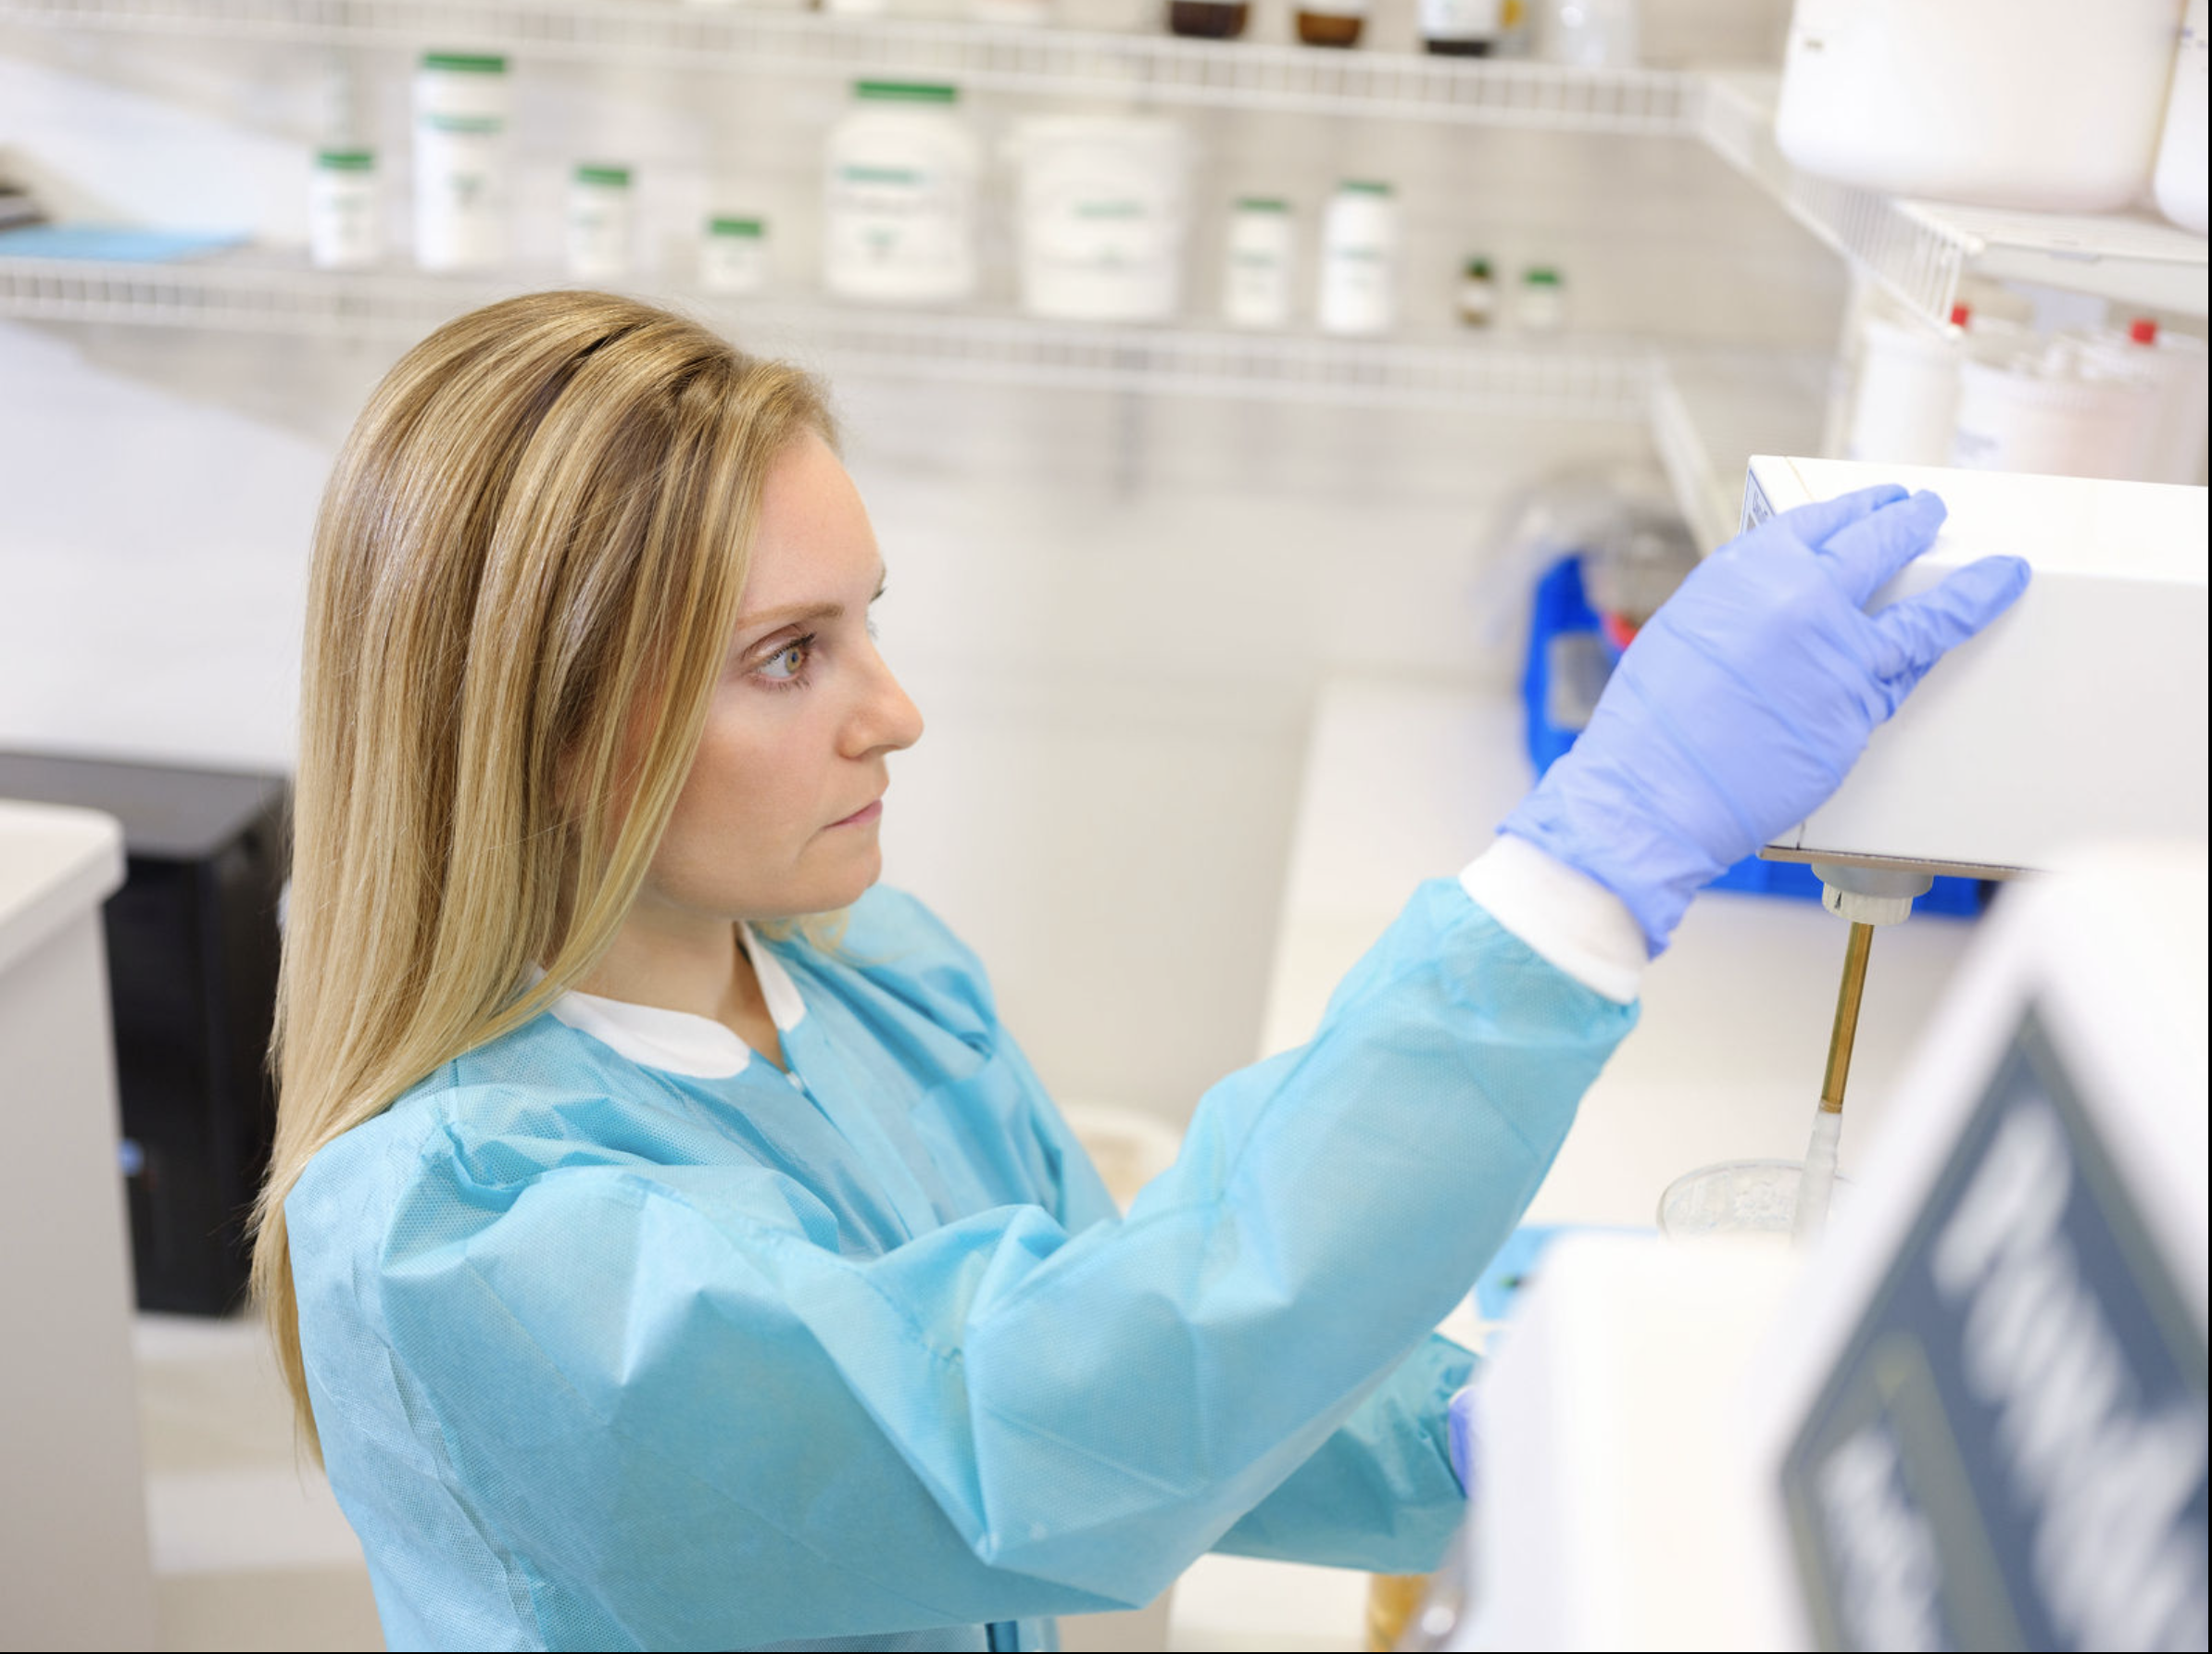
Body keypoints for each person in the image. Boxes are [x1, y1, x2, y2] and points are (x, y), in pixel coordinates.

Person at [256, 291, 2029, 1652]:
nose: (896, 710)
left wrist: (1506, 1417)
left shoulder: (870, 978)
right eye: (790, 656)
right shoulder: (454, 1232)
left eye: (868, 618)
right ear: (555, 733)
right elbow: (1019, 1418)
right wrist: (1573, 882)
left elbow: (1122, 1319)